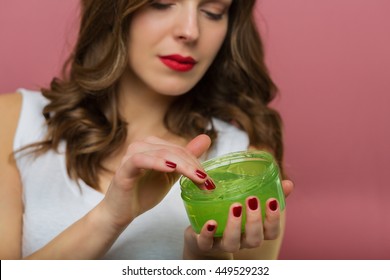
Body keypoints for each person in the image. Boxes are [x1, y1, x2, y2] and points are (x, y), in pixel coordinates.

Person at [0, 0, 294, 260]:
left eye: (212, 11)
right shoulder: (12, 120)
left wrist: (204, 258)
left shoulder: (248, 159)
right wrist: (108, 218)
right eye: (161, 3)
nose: (190, 31)